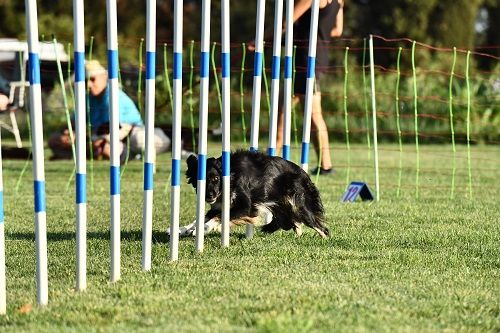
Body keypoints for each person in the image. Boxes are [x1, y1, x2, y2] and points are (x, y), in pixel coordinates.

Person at [48, 60, 171, 161]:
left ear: (104, 77)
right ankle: (85, 154)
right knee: (54, 139)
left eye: (92, 79)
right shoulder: (87, 99)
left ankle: (128, 156)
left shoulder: (114, 97)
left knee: (106, 147)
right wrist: (67, 133)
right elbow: (72, 123)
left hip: (124, 139)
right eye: (85, 81)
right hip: (96, 137)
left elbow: (115, 130)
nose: (89, 85)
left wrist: (84, 137)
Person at [276, 0, 344, 175]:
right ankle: (324, 165)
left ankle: (326, 166)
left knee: (311, 114)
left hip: (305, 60)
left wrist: (261, 38)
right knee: (285, 108)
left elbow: (285, 21)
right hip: (318, 57)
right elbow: (337, 30)